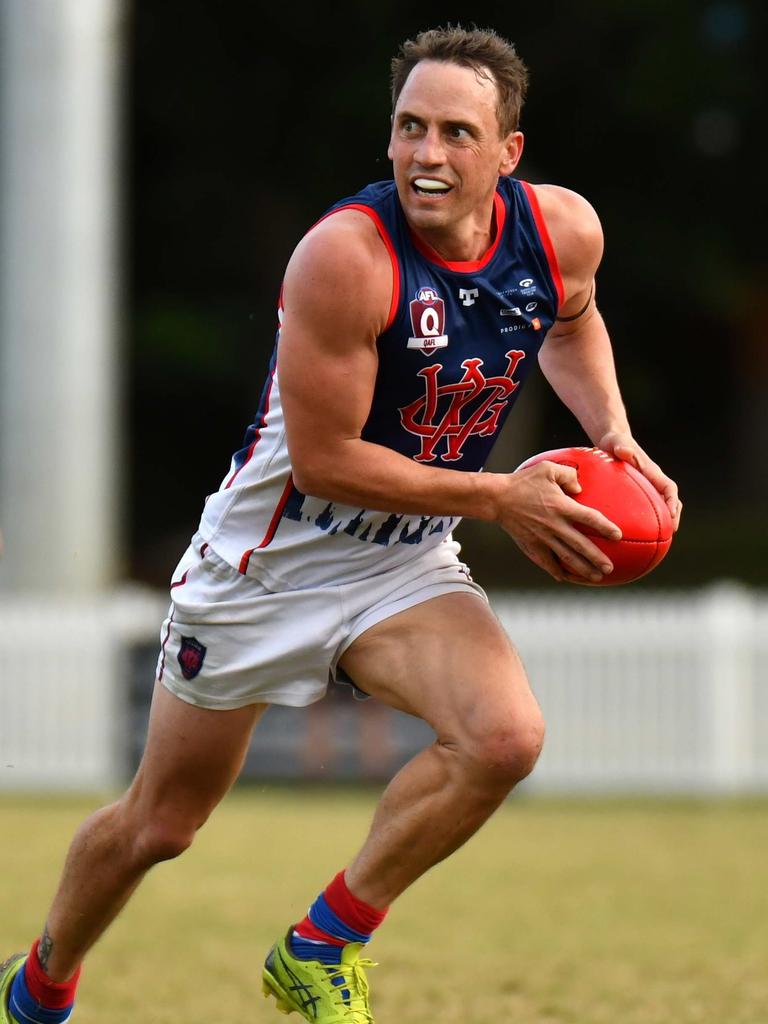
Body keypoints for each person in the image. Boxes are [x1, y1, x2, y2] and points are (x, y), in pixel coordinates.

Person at [0, 25, 682, 1024]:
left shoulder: (559, 232)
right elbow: (327, 462)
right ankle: (40, 982)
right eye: (410, 128)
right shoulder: (346, 258)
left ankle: (322, 942)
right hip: (263, 566)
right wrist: (499, 496)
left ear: (508, 153)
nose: (427, 155)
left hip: (400, 562)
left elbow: (569, 319)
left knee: (503, 738)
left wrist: (613, 434)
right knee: (161, 824)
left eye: (456, 132)